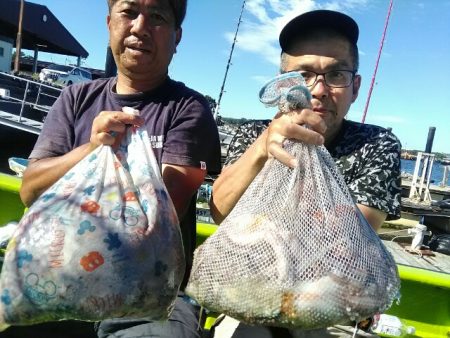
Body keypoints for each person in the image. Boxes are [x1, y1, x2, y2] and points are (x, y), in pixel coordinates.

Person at [19, 0, 221, 337]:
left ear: (177, 36)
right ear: (110, 22)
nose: (140, 27)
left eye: (157, 17)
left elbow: (164, 218)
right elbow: (30, 191)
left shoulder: (189, 109)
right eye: (129, 12)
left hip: (152, 294)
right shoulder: (74, 99)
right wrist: (92, 149)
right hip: (61, 273)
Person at [209, 9, 401, 338]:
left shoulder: (376, 144)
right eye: (303, 75)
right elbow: (219, 212)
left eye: (336, 75)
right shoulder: (254, 134)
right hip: (249, 297)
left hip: (333, 308)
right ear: (282, 85)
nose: (319, 90)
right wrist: (262, 147)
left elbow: (352, 240)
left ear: (355, 87)